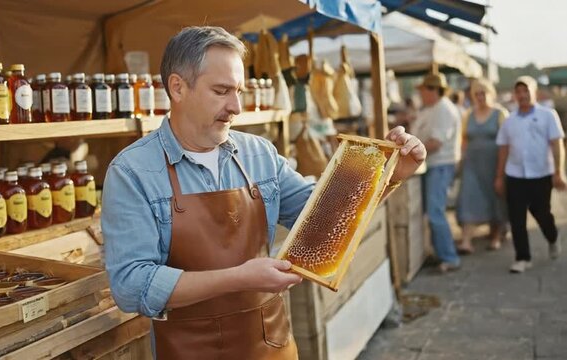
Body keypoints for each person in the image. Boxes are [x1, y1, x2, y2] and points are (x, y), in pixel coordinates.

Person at [101, 26, 425, 359]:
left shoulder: (259, 154)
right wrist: (238, 278)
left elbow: (323, 215)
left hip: (271, 346)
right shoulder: (132, 172)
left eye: (238, 90)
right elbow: (131, 286)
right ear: (178, 87)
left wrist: (388, 175)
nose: (236, 106)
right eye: (222, 90)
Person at [495, 76, 566, 274]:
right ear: (515, 95)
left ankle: (552, 236)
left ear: (534, 92)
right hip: (515, 174)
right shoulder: (509, 120)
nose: (522, 95)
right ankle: (522, 257)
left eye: (526, 91)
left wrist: (558, 172)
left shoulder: (548, 115)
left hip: (541, 174)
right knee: (516, 217)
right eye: (518, 92)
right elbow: (503, 149)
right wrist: (499, 177)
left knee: (542, 213)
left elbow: (557, 144)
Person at [411, 73, 462, 273]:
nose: (421, 94)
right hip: (431, 166)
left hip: (440, 165)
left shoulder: (444, 110)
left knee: (435, 212)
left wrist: (409, 152)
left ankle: (450, 257)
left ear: (433, 90)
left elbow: (436, 143)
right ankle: (440, 253)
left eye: (423, 90)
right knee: (432, 212)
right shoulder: (430, 109)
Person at [456, 78, 509, 253]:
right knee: (467, 197)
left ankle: (495, 235)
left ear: (491, 94)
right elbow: (463, 140)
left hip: (494, 164)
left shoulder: (500, 114)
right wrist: (460, 160)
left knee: (495, 197)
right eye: (476, 93)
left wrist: (501, 173)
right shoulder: (468, 115)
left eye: (483, 93)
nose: (480, 97)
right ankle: (466, 240)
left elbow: (506, 143)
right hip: (472, 163)